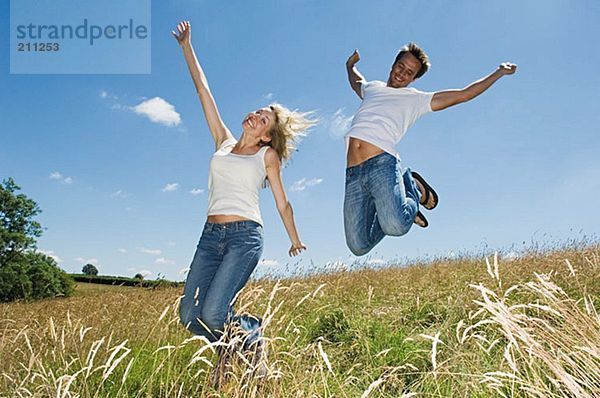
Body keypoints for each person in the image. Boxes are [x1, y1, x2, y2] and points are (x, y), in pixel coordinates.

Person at [172, 21, 314, 365]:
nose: (255, 115)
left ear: (267, 136)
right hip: (210, 237)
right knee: (191, 315)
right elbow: (203, 91)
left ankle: (250, 331)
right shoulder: (223, 142)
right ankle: (232, 348)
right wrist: (187, 46)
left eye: (263, 119)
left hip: (244, 237)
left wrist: (294, 239)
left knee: (216, 310)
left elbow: (282, 202)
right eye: (257, 111)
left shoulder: (266, 156)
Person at [344, 43, 516, 256]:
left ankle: (413, 188)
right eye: (400, 66)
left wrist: (499, 72)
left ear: (414, 79)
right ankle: (397, 204)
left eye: (409, 73)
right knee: (358, 246)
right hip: (353, 174)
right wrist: (350, 65)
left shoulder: (415, 99)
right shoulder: (372, 89)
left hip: (382, 165)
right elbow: (355, 81)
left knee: (396, 226)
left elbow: (464, 95)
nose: (402, 74)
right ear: (393, 64)